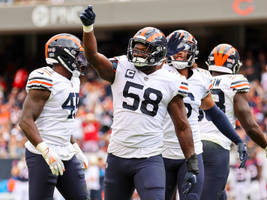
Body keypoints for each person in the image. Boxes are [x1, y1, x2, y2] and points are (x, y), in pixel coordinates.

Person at [80, 6, 199, 200]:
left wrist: (191, 161)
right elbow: (92, 56)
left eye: (144, 50)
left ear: (159, 52)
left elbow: (182, 125)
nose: (137, 53)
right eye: (136, 47)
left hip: (149, 159)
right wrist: (88, 28)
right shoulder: (121, 66)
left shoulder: (171, 79)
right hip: (117, 155)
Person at [162, 30, 248, 200]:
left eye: (182, 53)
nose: (178, 57)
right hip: (161, 150)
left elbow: (214, 113)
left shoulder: (202, 78)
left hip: (192, 152)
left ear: (191, 52)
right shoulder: (159, 75)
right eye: (174, 53)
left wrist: (237, 139)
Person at [199, 43, 267, 200]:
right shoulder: (234, 81)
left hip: (192, 146)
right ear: (234, 64)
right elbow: (249, 126)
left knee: (216, 194)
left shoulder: (199, 79)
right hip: (216, 146)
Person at [19, 33, 89, 200]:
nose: (82, 60)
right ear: (63, 55)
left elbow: (61, 120)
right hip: (42, 154)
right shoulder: (46, 79)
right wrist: (45, 150)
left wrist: (74, 146)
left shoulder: (74, 79)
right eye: (77, 55)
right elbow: (25, 120)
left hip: (66, 151)